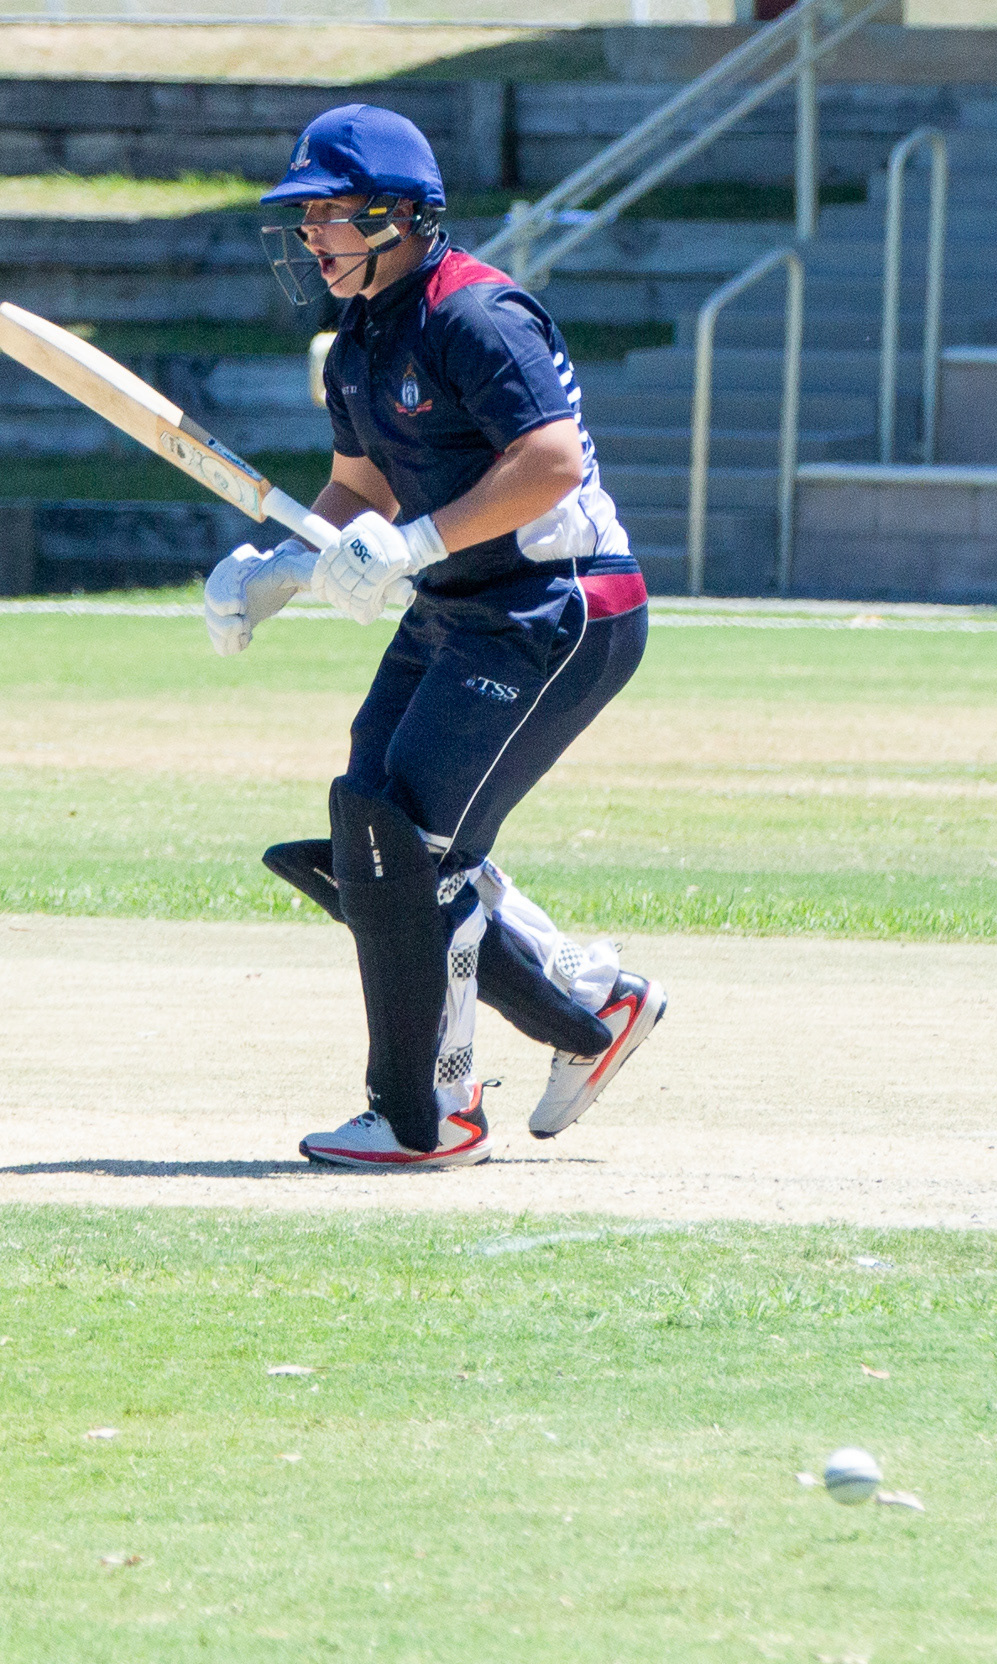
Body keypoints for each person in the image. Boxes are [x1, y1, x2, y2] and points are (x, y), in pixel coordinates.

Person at [202, 103, 665, 1169]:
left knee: (408, 843)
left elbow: (549, 461)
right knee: (373, 824)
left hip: (556, 604)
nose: (310, 234)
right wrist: (278, 568)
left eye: (327, 212)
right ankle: (593, 999)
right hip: (459, 603)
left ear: (398, 215)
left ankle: (434, 1112)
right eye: (304, 215)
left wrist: (413, 542)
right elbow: (359, 489)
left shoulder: (476, 314)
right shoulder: (357, 342)